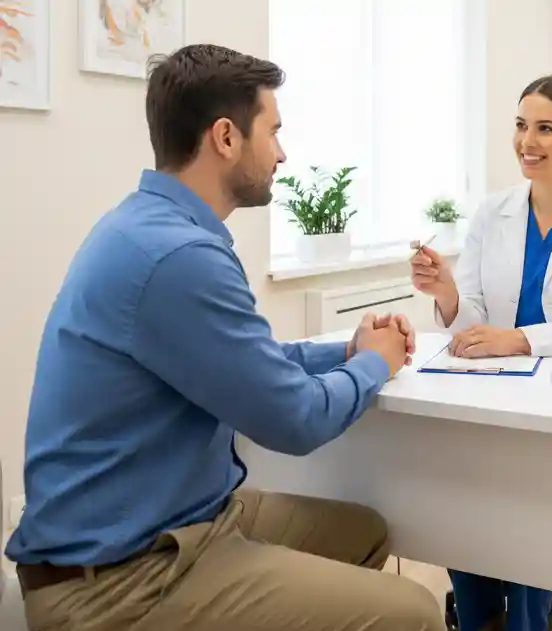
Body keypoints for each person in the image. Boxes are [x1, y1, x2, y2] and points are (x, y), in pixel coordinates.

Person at [5, 44, 445, 631]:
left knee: (362, 532)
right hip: (119, 583)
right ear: (226, 137)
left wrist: (344, 352)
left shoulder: (145, 225)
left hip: (173, 525)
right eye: (274, 131)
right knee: (413, 613)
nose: (282, 152)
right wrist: (376, 364)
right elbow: (296, 419)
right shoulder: (179, 256)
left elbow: (241, 363)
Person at [410, 75, 552, 630]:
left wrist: (519, 338)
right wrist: (446, 293)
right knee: (460, 496)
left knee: (531, 504)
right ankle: (479, 618)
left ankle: (527, 622)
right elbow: (472, 323)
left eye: (545, 128)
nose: (526, 141)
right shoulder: (493, 211)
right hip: (495, 391)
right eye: (520, 125)